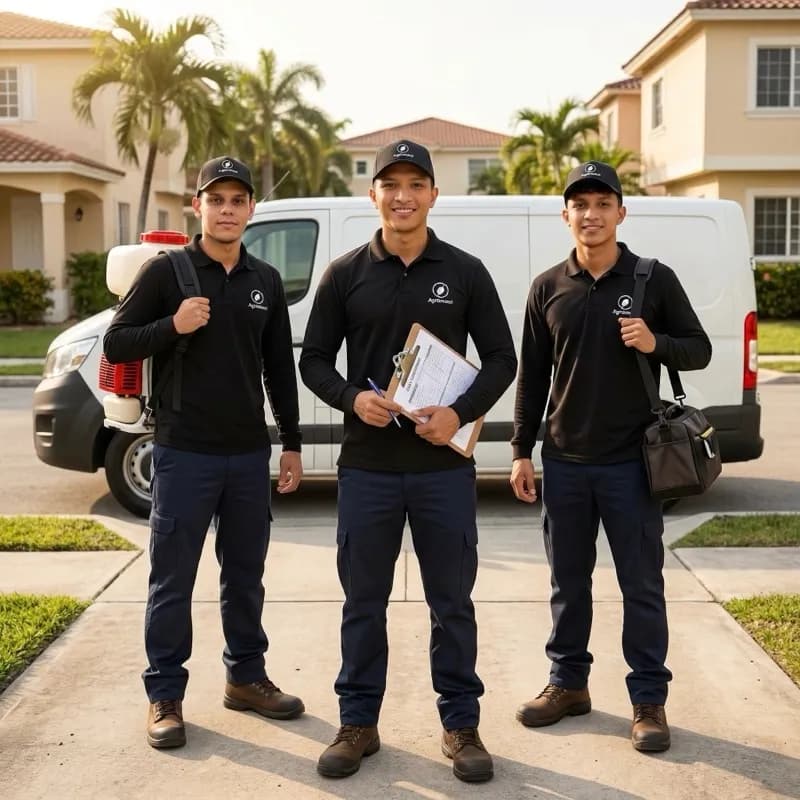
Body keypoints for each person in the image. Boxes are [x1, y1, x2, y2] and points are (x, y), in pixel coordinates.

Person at [300, 140, 517, 783]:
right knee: (362, 600)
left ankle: (461, 725)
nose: (403, 195)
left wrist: (460, 412)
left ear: (432, 194)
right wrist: (350, 398)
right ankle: (358, 723)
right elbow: (313, 359)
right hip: (367, 465)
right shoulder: (345, 273)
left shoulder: (467, 270)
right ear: (374, 195)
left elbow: (502, 358)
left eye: (415, 183)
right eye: (390, 184)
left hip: (441, 470)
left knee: (452, 602)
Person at [509, 161, 711, 753]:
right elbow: (531, 377)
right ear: (565, 214)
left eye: (603, 203)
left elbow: (696, 349)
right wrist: (522, 450)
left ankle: (648, 700)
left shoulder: (653, 279)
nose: (591, 214)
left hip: (632, 464)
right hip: (566, 461)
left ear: (621, 212)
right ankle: (567, 684)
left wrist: (656, 343)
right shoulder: (548, 286)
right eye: (580, 204)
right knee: (567, 584)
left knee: (640, 585)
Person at [104, 156, 305, 750]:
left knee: (245, 577)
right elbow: (116, 342)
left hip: (246, 454)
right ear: (198, 206)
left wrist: (290, 442)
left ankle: (246, 677)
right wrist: (173, 325)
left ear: (250, 210)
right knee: (173, 579)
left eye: (237, 200)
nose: (226, 210)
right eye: (215, 200)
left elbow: (278, 368)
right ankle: (164, 694)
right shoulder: (167, 273)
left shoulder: (264, 280)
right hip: (183, 451)